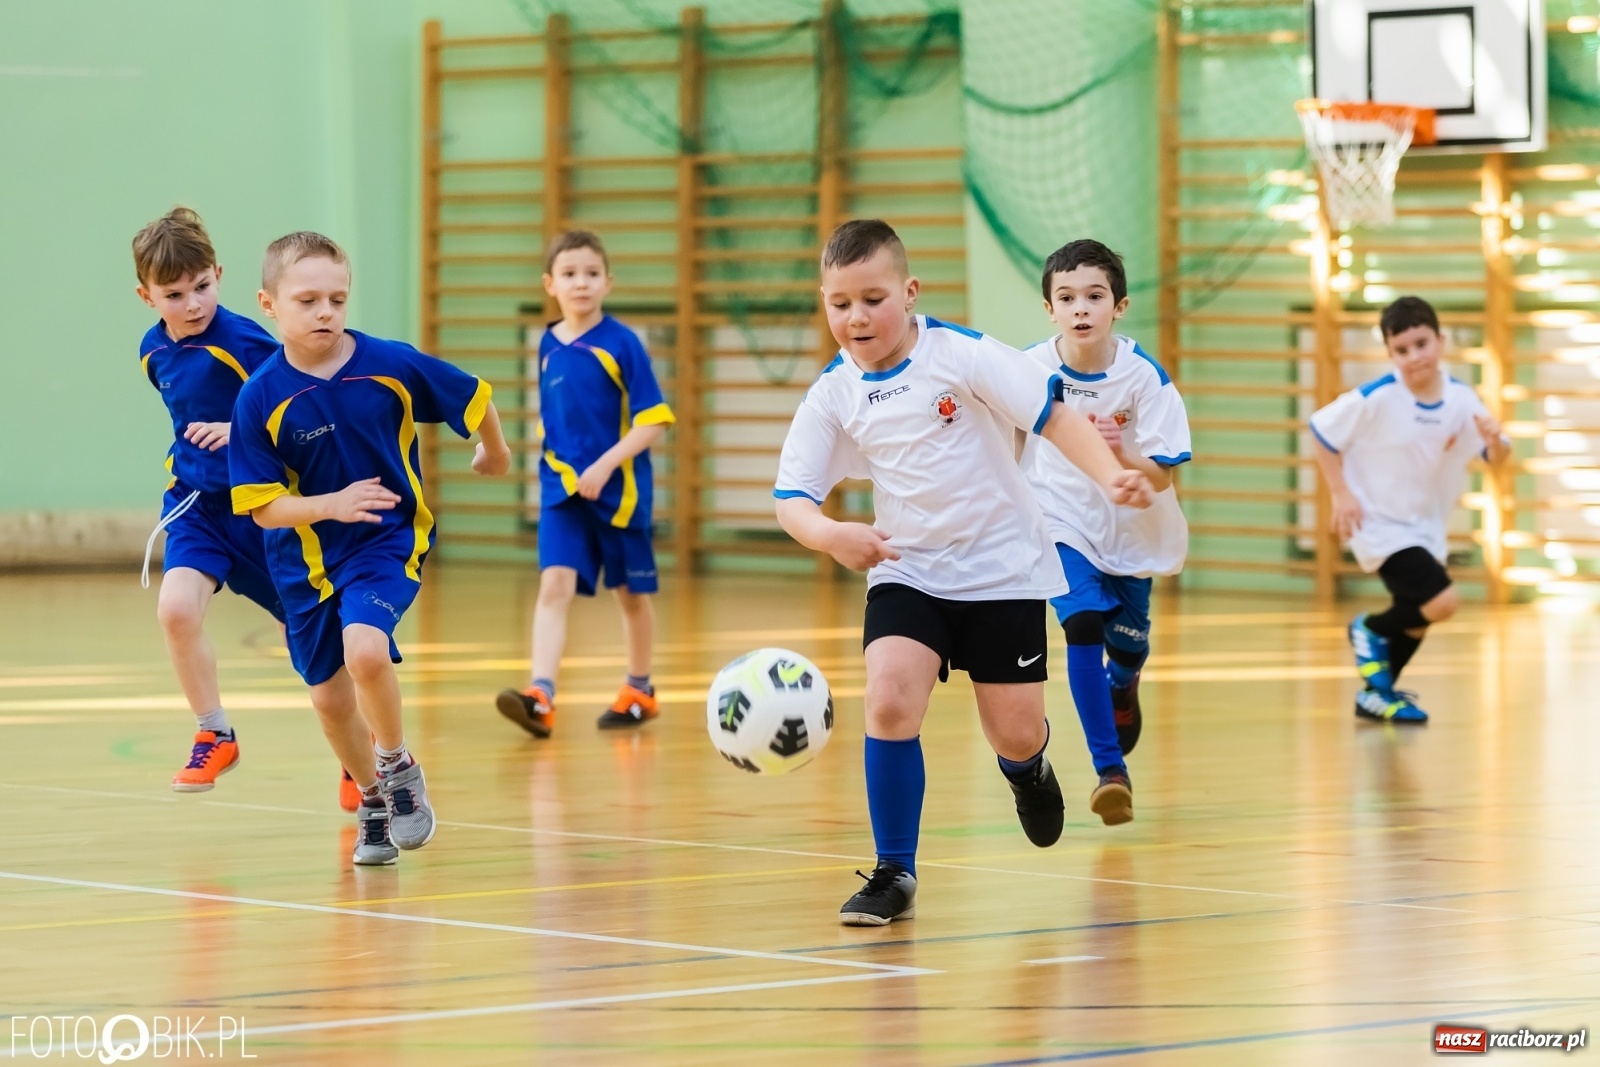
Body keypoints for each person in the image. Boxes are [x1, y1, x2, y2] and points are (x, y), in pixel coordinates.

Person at [773, 220, 1153, 925]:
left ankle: (1027, 768)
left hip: (1002, 571)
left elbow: (1053, 414)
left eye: (873, 298)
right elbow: (791, 497)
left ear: (910, 292)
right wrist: (831, 535)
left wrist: (1109, 476)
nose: (855, 317)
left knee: (1012, 731)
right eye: (839, 303)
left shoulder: (964, 355)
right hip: (906, 569)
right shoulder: (834, 391)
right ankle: (894, 870)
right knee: (888, 701)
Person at [229, 231, 511, 864]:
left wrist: (495, 450)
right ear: (268, 304)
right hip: (303, 564)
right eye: (307, 300)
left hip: (385, 541)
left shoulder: (390, 363)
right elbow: (261, 506)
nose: (325, 311)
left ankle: (397, 765)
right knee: (330, 702)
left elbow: (474, 395)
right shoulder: (260, 397)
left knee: (366, 650)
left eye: (337, 298)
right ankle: (373, 801)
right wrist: (330, 505)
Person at [1020, 239, 1191, 826]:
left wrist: (1130, 459)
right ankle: (1109, 771)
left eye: (1094, 296)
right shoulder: (1029, 371)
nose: (1080, 308)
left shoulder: (1144, 377)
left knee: (1129, 641)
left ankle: (1127, 677)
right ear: (1049, 309)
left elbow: (1164, 476)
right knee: (1082, 625)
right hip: (1060, 525)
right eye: (1066, 298)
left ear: (1119, 305)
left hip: (1131, 533)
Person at [496, 231, 674, 738]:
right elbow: (554, 418)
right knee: (553, 584)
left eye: (592, 274)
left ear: (608, 283)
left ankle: (639, 689)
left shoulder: (623, 344)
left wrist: (605, 466)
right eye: (570, 274)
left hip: (619, 495)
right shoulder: (548, 345)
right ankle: (540, 696)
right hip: (562, 492)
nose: (581, 283)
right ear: (550, 284)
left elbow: (653, 420)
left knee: (629, 594)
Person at [1310, 295, 1511, 723]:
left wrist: (1495, 440)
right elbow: (1321, 432)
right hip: (1378, 522)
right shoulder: (1377, 396)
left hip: (1425, 526)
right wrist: (1341, 493)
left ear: (1441, 340)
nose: (1414, 356)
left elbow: (1496, 459)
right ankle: (1369, 629)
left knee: (1417, 619)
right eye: (1402, 350)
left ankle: (1376, 696)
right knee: (1443, 601)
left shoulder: (1461, 398)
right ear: (1390, 354)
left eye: (1421, 344)